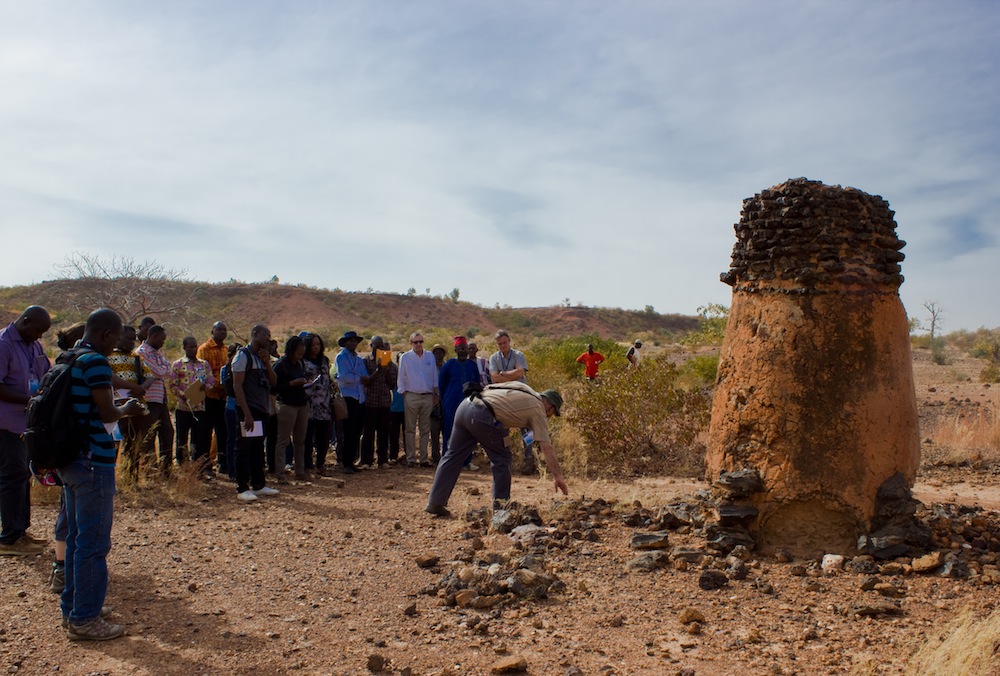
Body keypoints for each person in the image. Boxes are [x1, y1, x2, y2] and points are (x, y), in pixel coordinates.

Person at [59, 308, 146, 640]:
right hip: (94, 459)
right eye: (117, 337)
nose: (118, 345)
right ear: (108, 334)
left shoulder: (68, 357)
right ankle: (85, 618)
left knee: (76, 539)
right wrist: (128, 408)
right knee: (93, 543)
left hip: (70, 457)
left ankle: (75, 607)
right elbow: (108, 411)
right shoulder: (95, 362)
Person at [426, 381, 568, 518]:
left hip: (466, 406)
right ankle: (501, 506)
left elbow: (526, 433)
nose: (549, 417)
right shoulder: (538, 409)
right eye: (552, 413)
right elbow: (547, 447)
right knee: (502, 458)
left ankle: (435, 502)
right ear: (549, 405)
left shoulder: (524, 389)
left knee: (453, 455)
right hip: (482, 415)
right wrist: (558, 477)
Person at [0, 306, 52, 556]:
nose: (40, 336)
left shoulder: (34, 347)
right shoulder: (3, 344)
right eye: (38, 330)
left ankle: (21, 531)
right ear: (26, 321)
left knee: (23, 476)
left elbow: (45, 376)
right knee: (12, 477)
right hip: (5, 423)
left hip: (27, 424)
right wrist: (29, 400)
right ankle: (9, 538)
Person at [232, 325, 279, 502]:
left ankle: (259, 485)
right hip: (248, 409)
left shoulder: (261, 357)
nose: (268, 338)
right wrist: (247, 414)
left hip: (261, 408)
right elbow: (238, 386)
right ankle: (242, 487)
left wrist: (267, 362)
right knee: (244, 447)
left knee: (258, 447)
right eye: (265, 335)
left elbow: (273, 381)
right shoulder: (243, 356)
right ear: (254, 334)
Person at [488, 330, 536, 474]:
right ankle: (505, 460)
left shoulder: (519, 355)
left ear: (509, 341)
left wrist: (503, 374)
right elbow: (494, 378)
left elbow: (520, 373)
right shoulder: (494, 358)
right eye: (500, 344)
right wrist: (511, 375)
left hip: (520, 396)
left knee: (526, 428)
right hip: (502, 398)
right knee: (503, 430)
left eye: (504, 342)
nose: (502, 345)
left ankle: (529, 459)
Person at [273, 335, 314, 480]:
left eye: (302, 354)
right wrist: (291, 384)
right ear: (291, 350)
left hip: (301, 403)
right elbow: (273, 387)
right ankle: (280, 473)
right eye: (298, 353)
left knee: (300, 440)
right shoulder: (280, 365)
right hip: (287, 405)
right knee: (283, 440)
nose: (300, 356)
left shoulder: (300, 364)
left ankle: (300, 471)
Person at [171, 336, 215, 470]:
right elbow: (173, 385)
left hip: (199, 407)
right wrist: (182, 394)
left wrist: (205, 386)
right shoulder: (177, 365)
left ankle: (198, 466)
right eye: (190, 346)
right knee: (182, 437)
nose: (194, 349)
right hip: (183, 407)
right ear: (184, 347)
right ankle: (182, 464)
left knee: (200, 437)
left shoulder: (204, 364)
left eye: (195, 346)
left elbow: (211, 381)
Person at [136, 325, 175, 475]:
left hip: (160, 399)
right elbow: (158, 371)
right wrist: (162, 372)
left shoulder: (157, 354)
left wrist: (161, 372)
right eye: (162, 339)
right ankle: (149, 470)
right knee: (149, 435)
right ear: (154, 336)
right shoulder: (141, 352)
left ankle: (166, 469)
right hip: (148, 398)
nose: (163, 342)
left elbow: (167, 370)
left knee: (168, 432)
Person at [397, 332, 439, 467]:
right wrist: (404, 394)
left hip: (427, 396)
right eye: (416, 342)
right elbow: (401, 377)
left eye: (421, 341)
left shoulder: (429, 356)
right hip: (411, 396)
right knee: (410, 429)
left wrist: (435, 393)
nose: (419, 344)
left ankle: (424, 459)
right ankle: (410, 458)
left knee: (425, 429)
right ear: (411, 343)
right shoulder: (405, 357)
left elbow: (434, 375)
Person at [438, 336, 480, 467]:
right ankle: (448, 461)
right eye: (460, 348)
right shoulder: (449, 365)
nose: (463, 351)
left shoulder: (472, 365)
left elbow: (477, 383)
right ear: (455, 350)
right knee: (449, 431)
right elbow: (441, 385)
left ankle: (467, 461)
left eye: (465, 348)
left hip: (469, 403)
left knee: (468, 432)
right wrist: (445, 400)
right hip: (451, 404)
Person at [196, 321, 229, 476]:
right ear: (212, 331)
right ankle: (205, 466)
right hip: (208, 396)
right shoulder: (204, 349)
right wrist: (220, 384)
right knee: (205, 433)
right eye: (219, 329)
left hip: (223, 397)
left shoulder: (226, 350)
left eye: (224, 330)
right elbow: (202, 373)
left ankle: (223, 464)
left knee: (223, 432)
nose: (222, 332)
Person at [361, 335, 397, 469]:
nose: (380, 349)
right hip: (370, 402)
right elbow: (366, 381)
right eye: (377, 346)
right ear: (371, 346)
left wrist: (387, 370)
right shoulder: (365, 361)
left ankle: (382, 460)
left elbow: (392, 384)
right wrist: (378, 370)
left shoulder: (389, 363)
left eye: (382, 346)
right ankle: (367, 461)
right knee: (368, 433)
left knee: (383, 432)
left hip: (384, 402)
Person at [334, 331, 367, 473]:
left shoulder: (359, 358)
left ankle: (352, 461)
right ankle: (346, 462)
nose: (353, 343)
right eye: (351, 341)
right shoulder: (341, 357)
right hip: (348, 397)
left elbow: (364, 375)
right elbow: (343, 377)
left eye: (355, 341)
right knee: (348, 431)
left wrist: (356, 377)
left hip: (360, 398)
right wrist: (357, 377)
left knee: (357, 431)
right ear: (346, 342)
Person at [302, 333, 333, 476]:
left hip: (324, 404)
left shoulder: (324, 361)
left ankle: (320, 464)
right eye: (313, 345)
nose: (316, 347)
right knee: (307, 437)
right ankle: (307, 465)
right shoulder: (303, 362)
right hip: (309, 404)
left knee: (324, 437)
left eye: (318, 344)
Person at [429, 344, 448, 463]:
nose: (439, 355)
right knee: (434, 431)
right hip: (433, 402)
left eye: (441, 352)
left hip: (445, 402)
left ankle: (446, 456)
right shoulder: (430, 368)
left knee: (446, 430)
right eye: (436, 353)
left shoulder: (447, 367)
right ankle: (435, 456)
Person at [388, 351, 405, 464]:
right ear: (397, 361)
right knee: (393, 434)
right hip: (394, 408)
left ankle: (408, 456)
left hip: (407, 408)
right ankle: (393, 456)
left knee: (407, 433)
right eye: (400, 359)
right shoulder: (393, 372)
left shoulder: (411, 374)